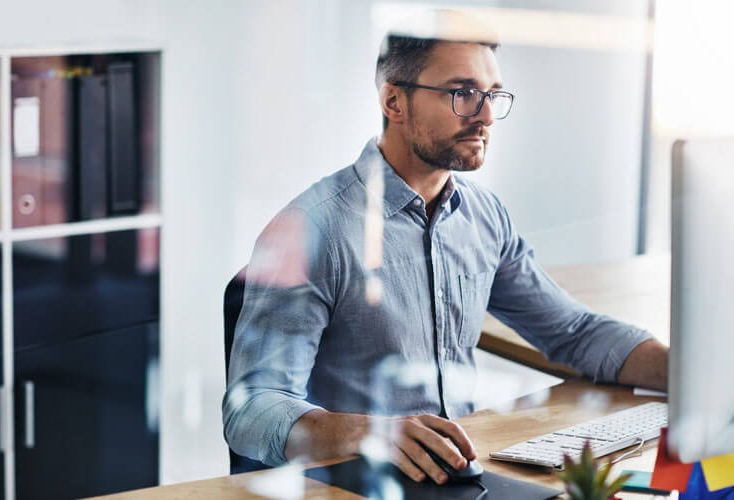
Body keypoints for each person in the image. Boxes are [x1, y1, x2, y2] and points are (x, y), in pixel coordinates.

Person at [222, 9, 668, 484]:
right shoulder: (311, 229)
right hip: (349, 485)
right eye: (463, 94)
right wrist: (372, 433)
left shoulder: (483, 217)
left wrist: (692, 374)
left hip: (459, 479)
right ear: (394, 102)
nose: (486, 115)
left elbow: (574, 332)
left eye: (492, 95)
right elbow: (251, 410)